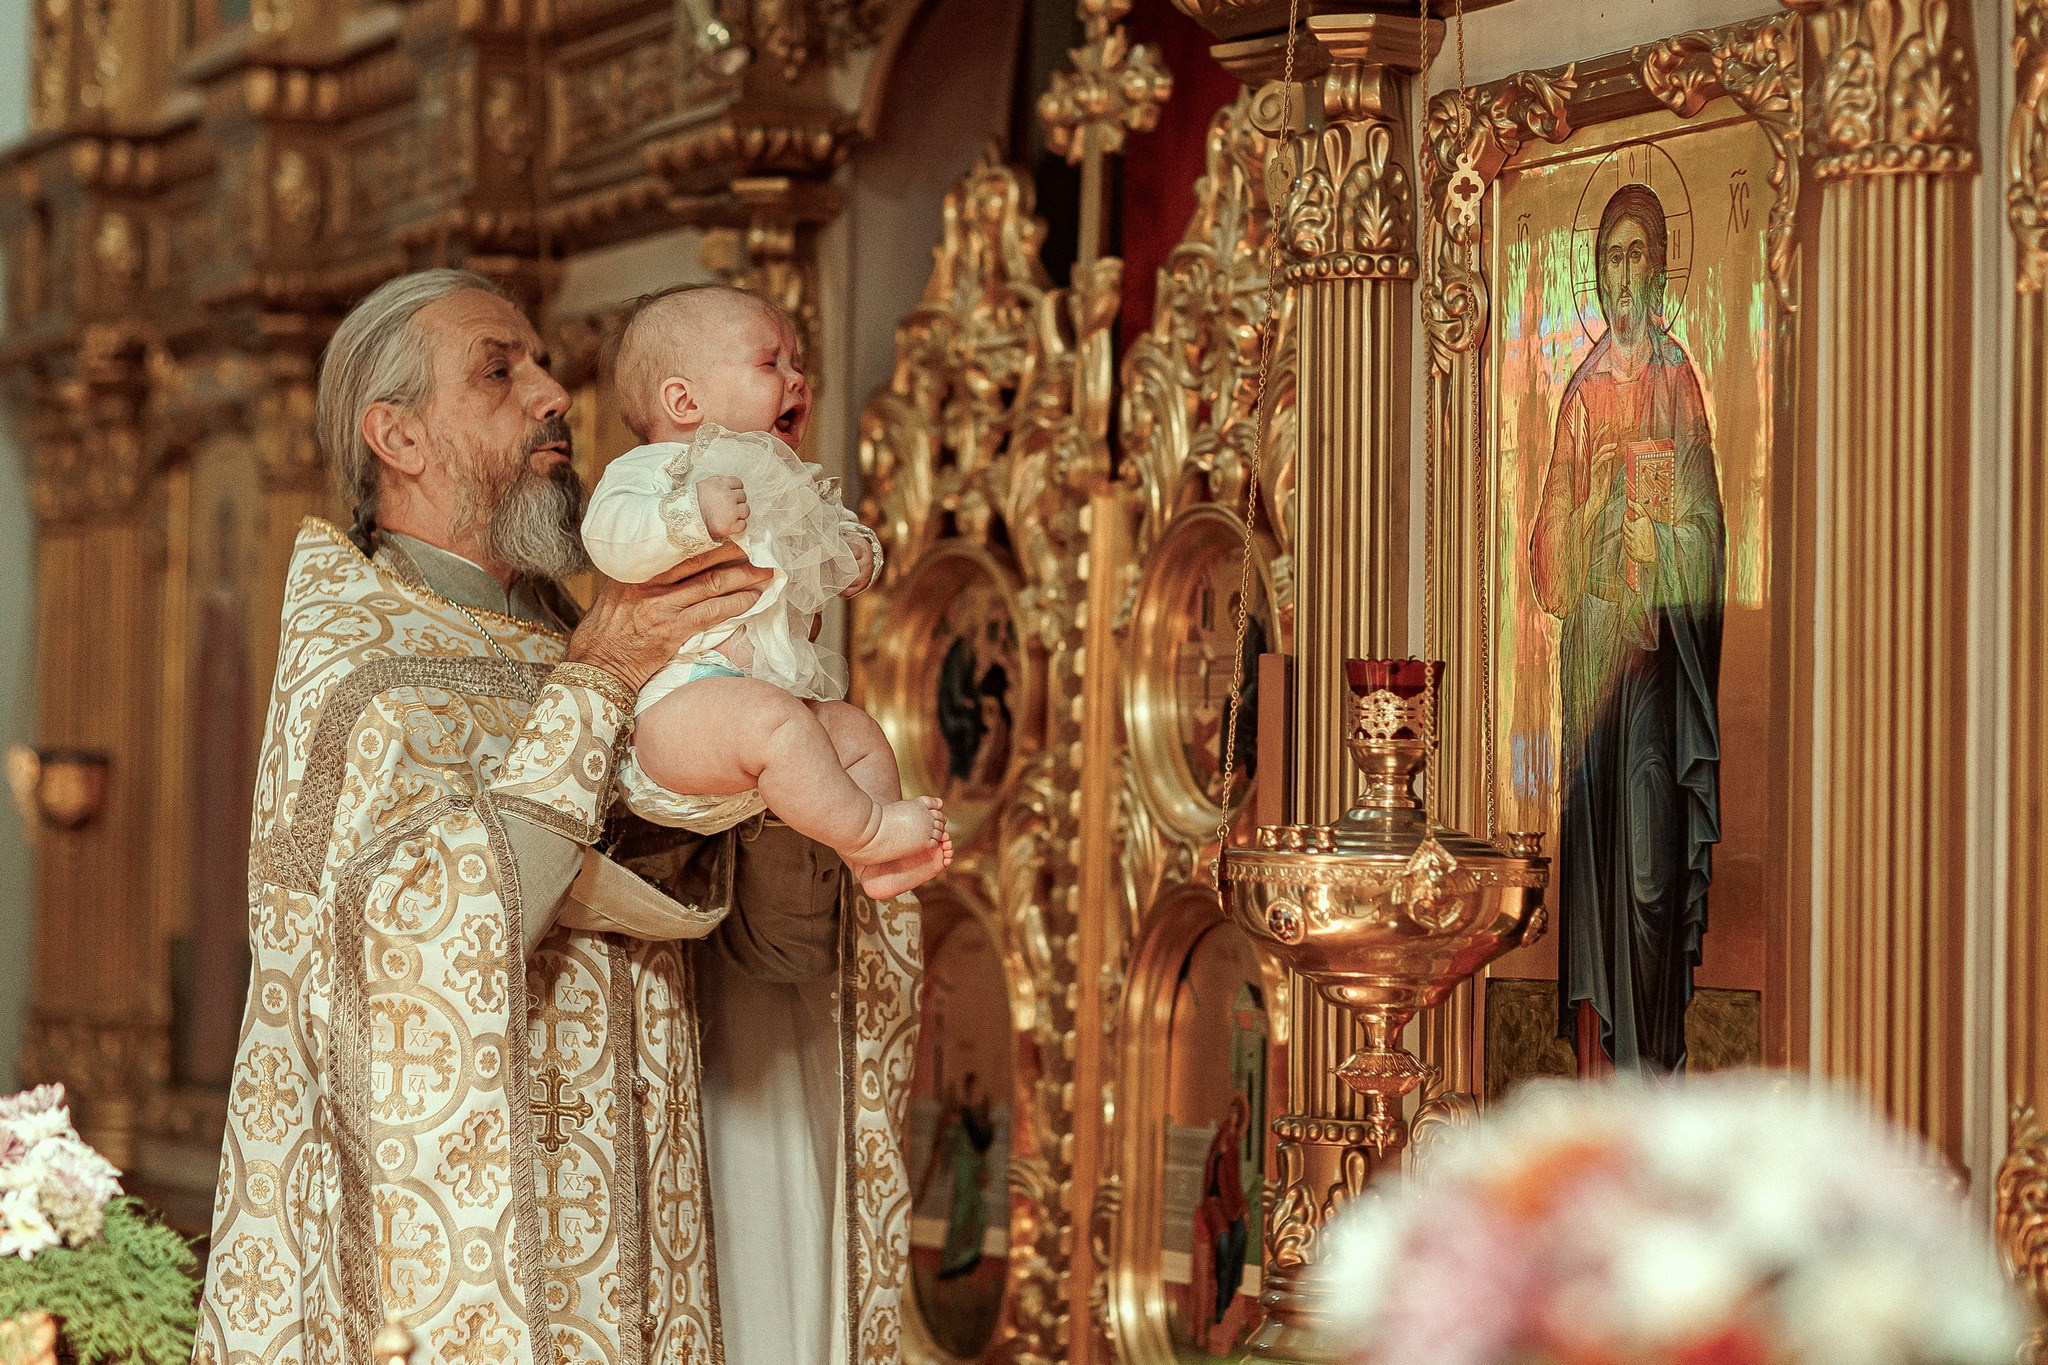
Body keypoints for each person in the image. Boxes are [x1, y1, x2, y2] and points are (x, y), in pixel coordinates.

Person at [193, 268, 919, 1365]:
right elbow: (414, 955)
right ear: (398, 436)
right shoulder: (360, 669)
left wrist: (782, 769)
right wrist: (600, 682)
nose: (553, 394)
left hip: (653, 1248)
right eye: (499, 372)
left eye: (541, 363)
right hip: (460, 1282)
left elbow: (771, 958)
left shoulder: (602, 634)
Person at [581, 285, 951, 901]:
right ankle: (868, 831)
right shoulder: (654, 471)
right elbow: (608, 538)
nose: (797, 379)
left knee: (857, 734)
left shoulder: (785, 478)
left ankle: (875, 863)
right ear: (684, 400)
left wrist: (857, 554)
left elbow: (831, 533)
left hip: (767, 711)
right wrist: (692, 515)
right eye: (769, 363)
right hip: (677, 711)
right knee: (777, 723)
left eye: (797, 362)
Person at [1529, 183, 1724, 1073]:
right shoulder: (1579, 396)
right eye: (1611, 257)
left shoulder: (1679, 382)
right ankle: (1599, 1084)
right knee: (1598, 886)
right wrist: (1598, 515)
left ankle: (1651, 1076)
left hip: (1651, 676)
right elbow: (1548, 565)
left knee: (1649, 879)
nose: (1623, 273)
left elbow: (1711, 536)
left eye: (1638, 253)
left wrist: (1663, 542)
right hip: (1591, 677)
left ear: (1660, 270)